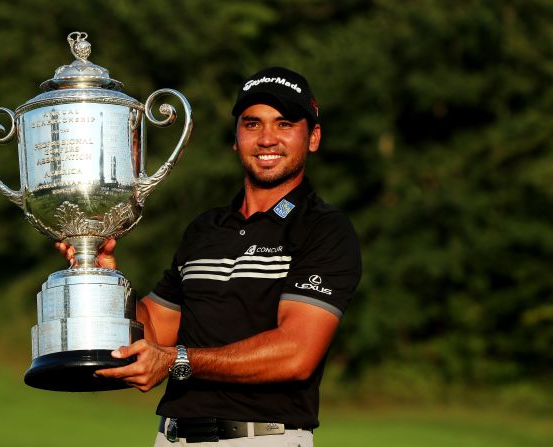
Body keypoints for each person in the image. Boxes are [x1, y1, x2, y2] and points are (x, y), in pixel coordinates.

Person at [57, 66, 361, 446]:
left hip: (261, 438)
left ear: (312, 137)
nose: (267, 138)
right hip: (172, 438)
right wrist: (105, 279)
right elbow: (153, 329)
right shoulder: (205, 229)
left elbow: (296, 353)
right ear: (236, 138)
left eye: (284, 124)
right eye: (252, 124)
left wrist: (177, 361)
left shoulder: (324, 228)